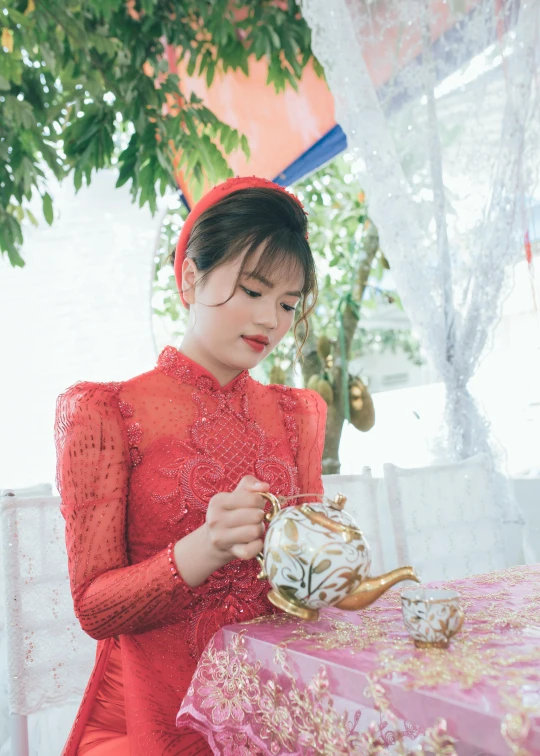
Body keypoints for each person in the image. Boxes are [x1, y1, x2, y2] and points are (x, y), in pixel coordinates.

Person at [55, 176, 327, 756]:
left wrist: (328, 558)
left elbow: (305, 583)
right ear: (190, 279)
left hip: (280, 702)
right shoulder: (108, 412)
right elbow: (94, 607)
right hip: (160, 716)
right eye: (253, 290)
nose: (271, 322)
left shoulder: (295, 414)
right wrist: (204, 547)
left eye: (287, 303)